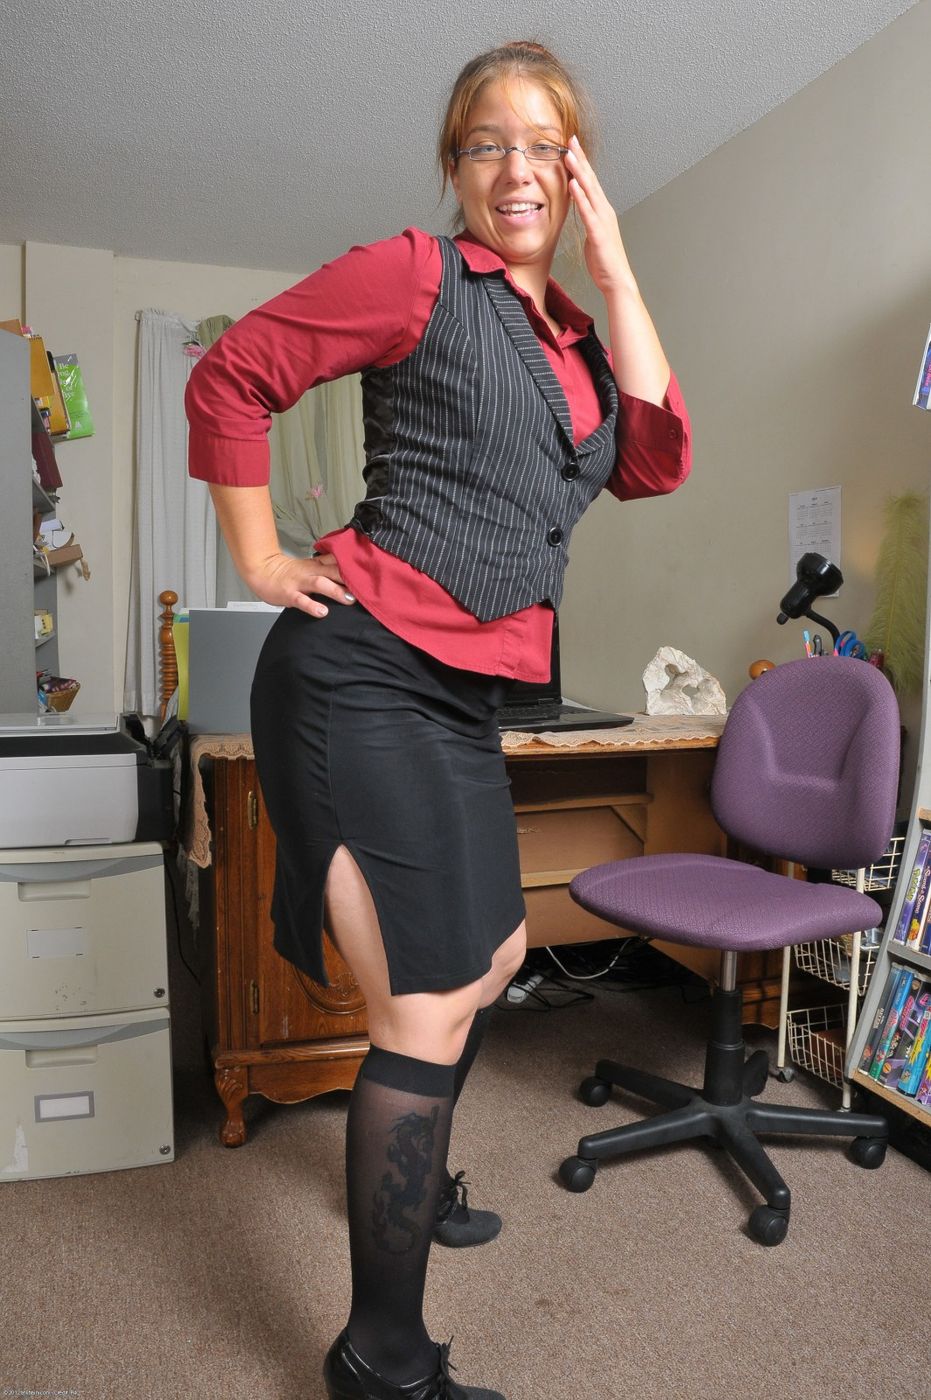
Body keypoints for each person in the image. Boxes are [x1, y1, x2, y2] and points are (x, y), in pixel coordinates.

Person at [186, 39, 691, 1400]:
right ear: (454, 168)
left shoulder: (575, 345)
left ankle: (417, 1183)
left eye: (544, 146)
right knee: (420, 1002)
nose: (514, 168)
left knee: (497, 954)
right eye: (485, 143)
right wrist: (257, 557)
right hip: (360, 669)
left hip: (462, 695)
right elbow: (232, 373)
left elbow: (653, 457)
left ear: (576, 170)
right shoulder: (417, 275)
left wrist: (613, 258)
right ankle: (383, 1356)